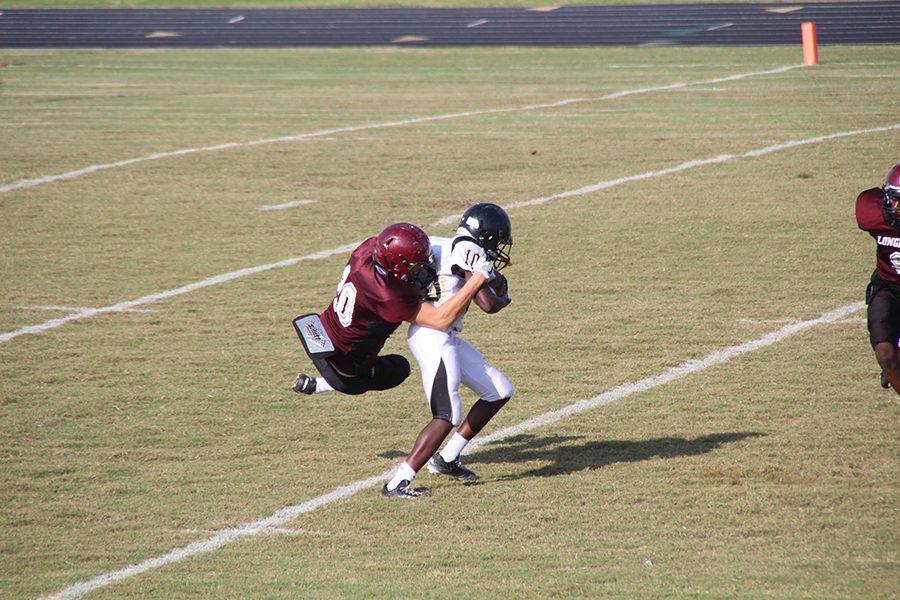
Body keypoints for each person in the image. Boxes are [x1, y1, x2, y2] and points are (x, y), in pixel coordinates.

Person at [382, 203, 515, 499]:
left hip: (444, 333)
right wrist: (503, 296)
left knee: (499, 390)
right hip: (433, 335)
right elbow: (487, 304)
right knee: (446, 413)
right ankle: (397, 483)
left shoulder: (444, 243)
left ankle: (447, 459)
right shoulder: (469, 248)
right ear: (489, 236)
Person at [292, 222, 495, 399]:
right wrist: (478, 277)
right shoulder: (390, 295)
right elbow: (441, 319)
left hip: (321, 331)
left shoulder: (365, 251)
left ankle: (314, 384)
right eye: (416, 267)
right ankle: (325, 384)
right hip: (346, 370)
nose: (422, 268)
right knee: (400, 368)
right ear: (396, 265)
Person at [856, 163, 900, 394]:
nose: (898, 207)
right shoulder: (876, 217)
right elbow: (868, 200)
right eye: (895, 199)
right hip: (888, 287)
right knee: (884, 353)